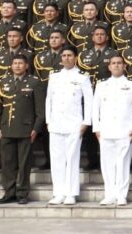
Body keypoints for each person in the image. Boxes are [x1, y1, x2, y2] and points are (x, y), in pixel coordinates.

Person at [45, 45, 94, 205]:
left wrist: (86, 122)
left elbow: (89, 101)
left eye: (70, 55)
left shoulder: (82, 76)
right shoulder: (54, 76)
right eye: (64, 55)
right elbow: (49, 100)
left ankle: (71, 193)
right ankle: (58, 192)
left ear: (76, 57)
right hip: (56, 123)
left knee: (72, 158)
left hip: (74, 123)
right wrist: (48, 120)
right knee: (57, 159)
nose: (66, 58)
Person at [92, 55, 132, 206]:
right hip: (106, 130)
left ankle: (121, 195)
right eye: (113, 63)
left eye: (119, 63)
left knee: (123, 163)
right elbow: (96, 108)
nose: (116, 66)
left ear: (124, 66)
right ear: (109, 67)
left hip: (125, 130)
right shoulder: (101, 85)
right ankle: (109, 194)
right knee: (107, 164)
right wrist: (97, 128)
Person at [0, 56, 44, 205]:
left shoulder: (34, 82)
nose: (17, 66)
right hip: (7, 128)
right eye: (14, 63)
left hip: (25, 129)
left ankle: (22, 193)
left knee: (24, 164)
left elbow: (40, 111)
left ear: (26, 65)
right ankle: (9, 192)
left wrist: (35, 129)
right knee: (8, 163)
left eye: (20, 63)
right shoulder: (3, 82)